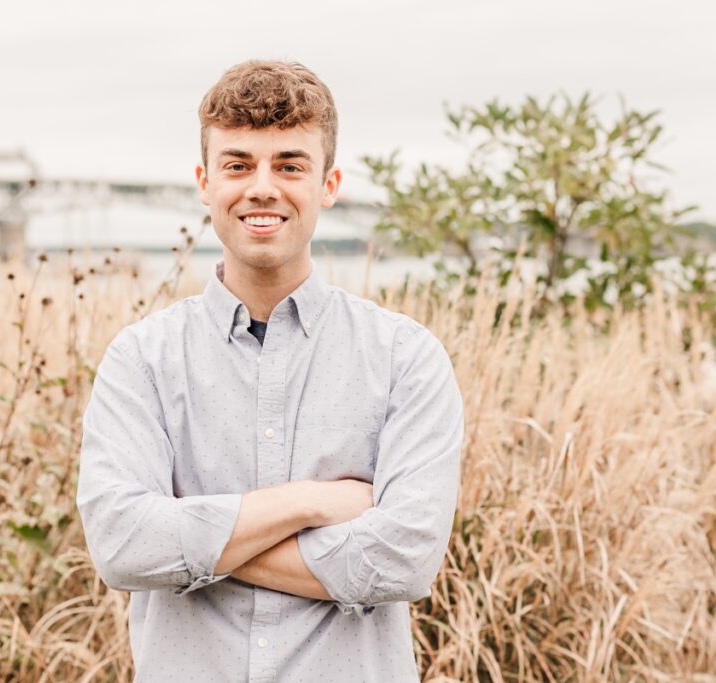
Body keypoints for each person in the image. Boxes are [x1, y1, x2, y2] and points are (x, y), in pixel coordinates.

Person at [76, 60, 465, 683]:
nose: (262, 187)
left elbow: (402, 562)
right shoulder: (141, 360)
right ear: (205, 182)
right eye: (238, 165)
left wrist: (190, 531)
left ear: (328, 183)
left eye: (289, 165)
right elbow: (122, 547)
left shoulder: (405, 359)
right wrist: (311, 503)